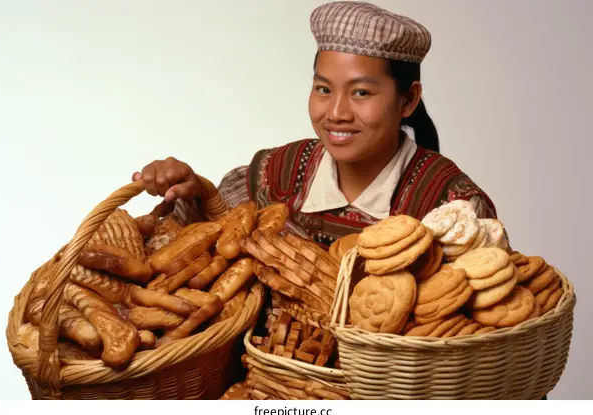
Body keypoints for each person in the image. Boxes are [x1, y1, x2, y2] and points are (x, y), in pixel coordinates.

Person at [132, 1, 499, 249]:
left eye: (360, 93)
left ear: (409, 99)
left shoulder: (452, 209)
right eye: (323, 88)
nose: (336, 112)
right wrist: (194, 192)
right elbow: (209, 244)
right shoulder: (276, 174)